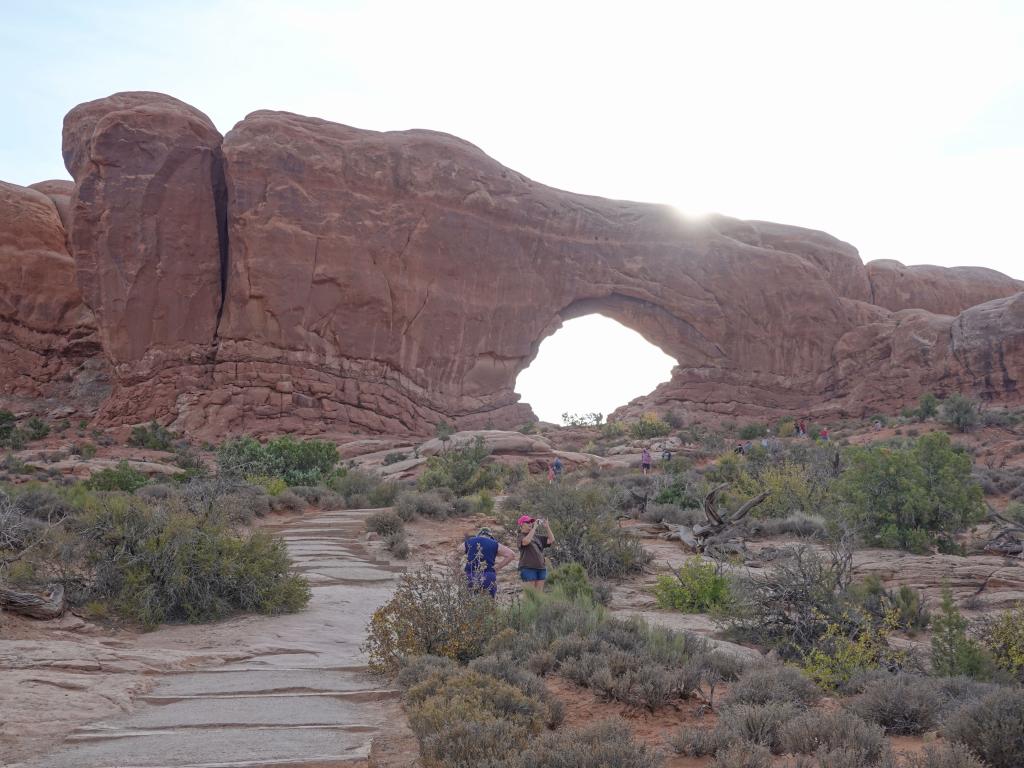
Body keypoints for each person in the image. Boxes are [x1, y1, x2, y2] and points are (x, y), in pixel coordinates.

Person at [460, 527, 515, 597]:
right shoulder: (494, 543)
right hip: (488, 575)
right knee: (489, 602)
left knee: (469, 602)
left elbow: (459, 550)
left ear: (478, 535)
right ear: (490, 536)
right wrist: (498, 567)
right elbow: (511, 555)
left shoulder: (470, 541)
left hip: (471, 575)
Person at [517, 515, 554, 591]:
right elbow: (526, 541)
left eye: (531, 522)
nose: (530, 523)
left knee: (538, 595)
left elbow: (551, 540)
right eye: (528, 522)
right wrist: (534, 528)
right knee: (530, 595)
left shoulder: (537, 536)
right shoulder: (520, 536)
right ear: (521, 524)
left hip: (541, 568)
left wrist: (547, 527)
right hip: (528, 568)